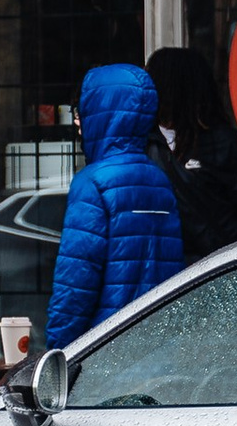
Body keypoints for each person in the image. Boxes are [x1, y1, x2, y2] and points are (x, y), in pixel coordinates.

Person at [42, 60, 184, 348]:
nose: (78, 123)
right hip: (158, 347)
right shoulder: (160, 180)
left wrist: (57, 355)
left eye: (83, 111)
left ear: (100, 113)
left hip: (105, 351)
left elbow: (75, 286)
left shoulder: (93, 183)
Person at [145, 44, 237, 264]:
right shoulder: (143, 143)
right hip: (162, 270)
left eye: (153, 80)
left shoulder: (228, 145)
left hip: (219, 270)